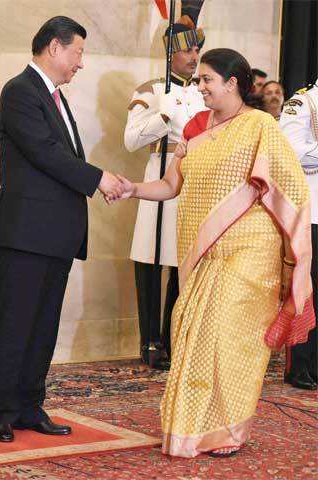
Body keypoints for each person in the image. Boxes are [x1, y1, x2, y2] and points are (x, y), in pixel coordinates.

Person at [115, 48, 314, 457]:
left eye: (207, 79)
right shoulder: (194, 128)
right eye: (199, 79)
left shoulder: (261, 126)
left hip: (250, 250)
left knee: (229, 337)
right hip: (203, 252)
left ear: (232, 83)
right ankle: (192, 427)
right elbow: (172, 186)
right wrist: (134, 189)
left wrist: (294, 254)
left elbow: (290, 188)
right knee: (192, 331)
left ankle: (227, 430)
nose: (200, 86)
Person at [0, 16, 123, 443]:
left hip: (54, 234)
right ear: (55, 48)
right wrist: (99, 178)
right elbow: (44, 153)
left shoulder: (54, 97)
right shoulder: (20, 91)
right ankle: (1, 410)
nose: (80, 62)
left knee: (43, 325)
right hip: (25, 232)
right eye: (78, 52)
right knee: (16, 323)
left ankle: (29, 405)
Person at [124, 11, 206, 370]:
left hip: (193, 178)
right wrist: (162, 116)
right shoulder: (152, 90)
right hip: (161, 169)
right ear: (171, 52)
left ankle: (173, 336)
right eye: (188, 52)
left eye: (197, 52)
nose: (194, 58)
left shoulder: (204, 91)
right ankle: (150, 341)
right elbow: (130, 141)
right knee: (150, 256)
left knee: (180, 259)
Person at [280, 81, 318, 390]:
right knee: (306, 289)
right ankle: (300, 364)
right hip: (311, 210)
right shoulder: (303, 102)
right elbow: (292, 149)